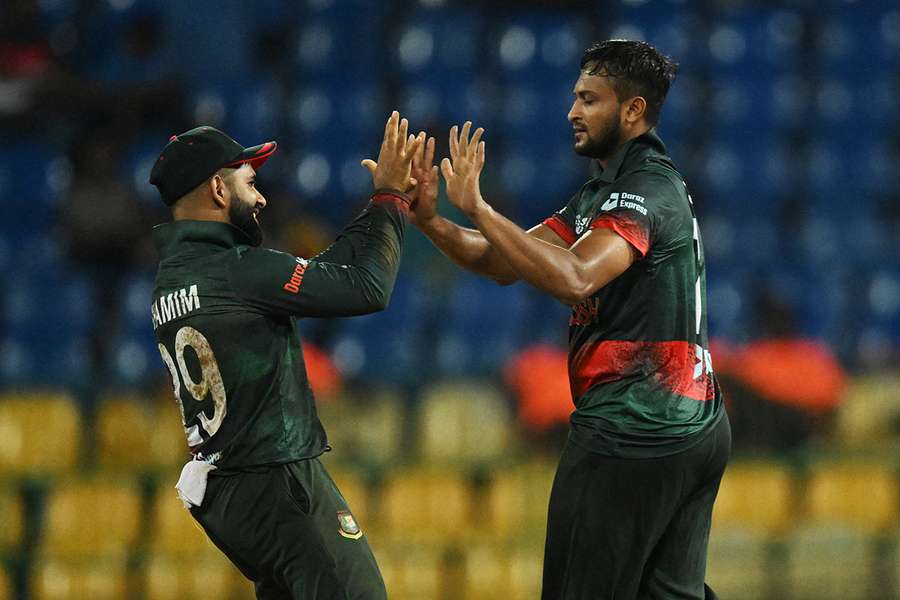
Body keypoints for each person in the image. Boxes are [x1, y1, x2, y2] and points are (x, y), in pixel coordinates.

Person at [408, 40, 730, 599]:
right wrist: (432, 220)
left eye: (589, 99)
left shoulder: (643, 190)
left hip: (634, 425)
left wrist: (480, 207)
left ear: (632, 110)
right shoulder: (602, 195)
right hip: (691, 423)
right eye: (574, 98)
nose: (572, 112)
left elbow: (575, 277)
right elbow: (503, 260)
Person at [148, 112, 422, 600]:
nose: (261, 198)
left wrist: (377, 205)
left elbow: (319, 272)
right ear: (217, 189)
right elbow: (367, 287)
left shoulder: (170, 282)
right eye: (250, 183)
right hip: (278, 479)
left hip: (230, 495)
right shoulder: (237, 271)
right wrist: (391, 199)